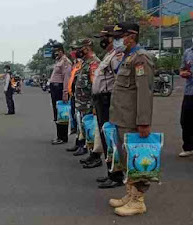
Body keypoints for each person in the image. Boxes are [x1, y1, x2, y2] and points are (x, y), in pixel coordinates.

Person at [108, 23, 155, 216]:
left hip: (132, 120)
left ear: (132, 36)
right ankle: (130, 194)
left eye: (120, 36)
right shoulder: (127, 57)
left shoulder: (141, 58)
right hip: (120, 117)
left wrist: (143, 121)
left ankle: (138, 201)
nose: (116, 40)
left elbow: (145, 92)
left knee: (135, 158)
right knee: (125, 159)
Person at [82, 26, 125, 190]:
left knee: (110, 139)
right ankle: (111, 173)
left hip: (108, 100)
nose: (102, 40)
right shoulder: (109, 55)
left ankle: (116, 175)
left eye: (104, 37)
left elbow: (118, 79)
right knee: (105, 138)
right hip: (101, 100)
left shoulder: (117, 55)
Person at [66, 39, 100, 156]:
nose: (76, 51)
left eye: (78, 48)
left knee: (90, 130)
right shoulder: (84, 63)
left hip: (88, 103)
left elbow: (95, 85)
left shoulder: (94, 63)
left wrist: (95, 104)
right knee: (84, 128)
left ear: (86, 48)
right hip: (81, 102)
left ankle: (93, 154)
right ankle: (85, 148)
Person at [49, 43, 72, 145]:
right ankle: (60, 136)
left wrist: (65, 92)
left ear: (61, 50)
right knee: (57, 113)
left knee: (61, 113)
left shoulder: (65, 62)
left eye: (56, 50)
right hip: (55, 88)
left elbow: (66, 78)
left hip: (60, 89)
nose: (54, 53)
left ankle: (62, 137)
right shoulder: (58, 61)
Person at [179, 41, 193, 157]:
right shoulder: (188, 52)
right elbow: (182, 69)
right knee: (185, 121)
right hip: (189, 92)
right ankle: (188, 147)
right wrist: (183, 73)